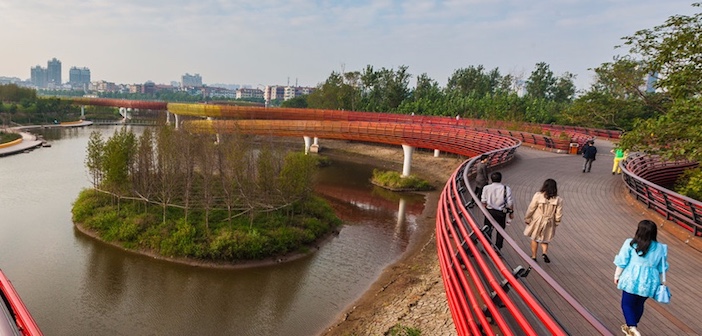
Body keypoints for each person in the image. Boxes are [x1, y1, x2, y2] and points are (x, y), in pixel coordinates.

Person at [614, 220, 669, 336]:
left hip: (632, 278)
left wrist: (617, 275)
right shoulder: (660, 248)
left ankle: (632, 327)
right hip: (651, 280)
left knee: (627, 304)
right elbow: (661, 267)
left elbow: (622, 261)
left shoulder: (631, 243)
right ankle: (631, 326)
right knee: (639, 304)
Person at [523, 178, 563, 263]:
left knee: (534, 238)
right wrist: (556, 222)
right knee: (545, 238)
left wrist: (527, 217)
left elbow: (531, 208)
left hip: (538, 219)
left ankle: (534, 256)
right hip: (549, 221)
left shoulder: (538, 195)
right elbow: (559, 213)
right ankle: (544, 253)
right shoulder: (558, 199)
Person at [480, 172, 514, 250]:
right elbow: (510, 202)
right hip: (501, 213)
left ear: (491, 179)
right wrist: (511, 212)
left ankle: (486, 246)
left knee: (487, 228)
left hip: (489, 211)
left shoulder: (486, 188)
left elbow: (483, 201)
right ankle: (498, 248)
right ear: (500, 179)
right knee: (500, 231)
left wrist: (484, 210)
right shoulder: (506, 188)